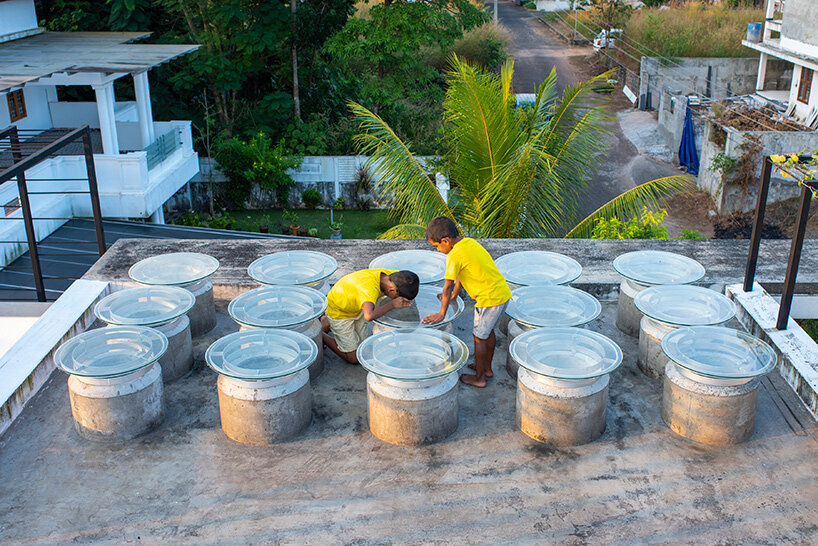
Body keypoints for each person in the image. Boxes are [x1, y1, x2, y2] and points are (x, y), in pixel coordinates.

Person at [423, 216, 511, 387]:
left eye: (437, 246)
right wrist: (455, 296)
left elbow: (447, 286)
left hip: (488, 300)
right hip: (502, 293)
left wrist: (442, 314)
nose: (438, 250)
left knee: (478, 338)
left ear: (445, 241)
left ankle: (479, 378)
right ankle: (486, 368)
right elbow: (460, 276)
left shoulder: (454, 255)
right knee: (488, 333)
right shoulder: (469, 243)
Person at [322, 269, 419, 364]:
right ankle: (321, 335)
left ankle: (326, 321)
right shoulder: (369, 290)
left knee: (364, 349)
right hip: (339, 311)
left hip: (354, 306)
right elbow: (369, 316)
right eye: (397, 298)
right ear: (392, 290)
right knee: (355, 358)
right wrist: (392, 304)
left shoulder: (394, 277)